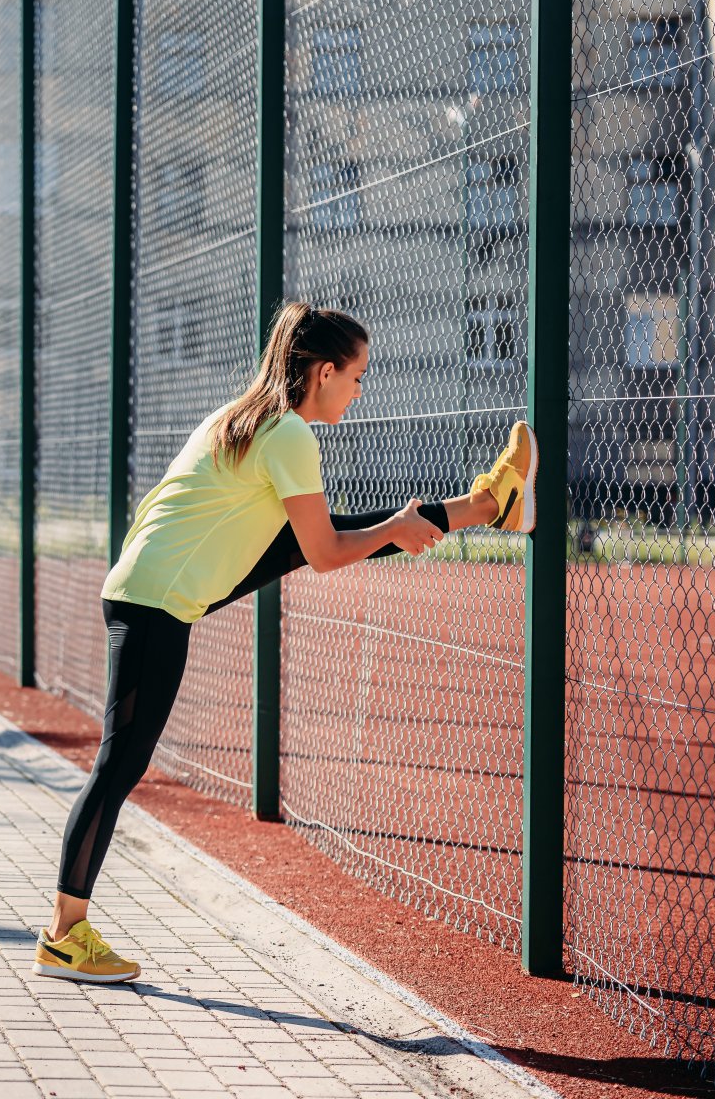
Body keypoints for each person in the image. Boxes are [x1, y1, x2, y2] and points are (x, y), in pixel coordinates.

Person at [33, 301, 537, 984]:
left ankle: (492, 503)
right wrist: (393, 530)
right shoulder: (290, 435)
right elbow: (329, 553)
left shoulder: (248, 416)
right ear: (324, 372)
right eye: (356, 376)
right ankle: (65, 933)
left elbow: (312, 544)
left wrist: (392, 528)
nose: (361, 390)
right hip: (156, 600)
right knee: (118, 766)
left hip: (150, 585)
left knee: (352, 532)